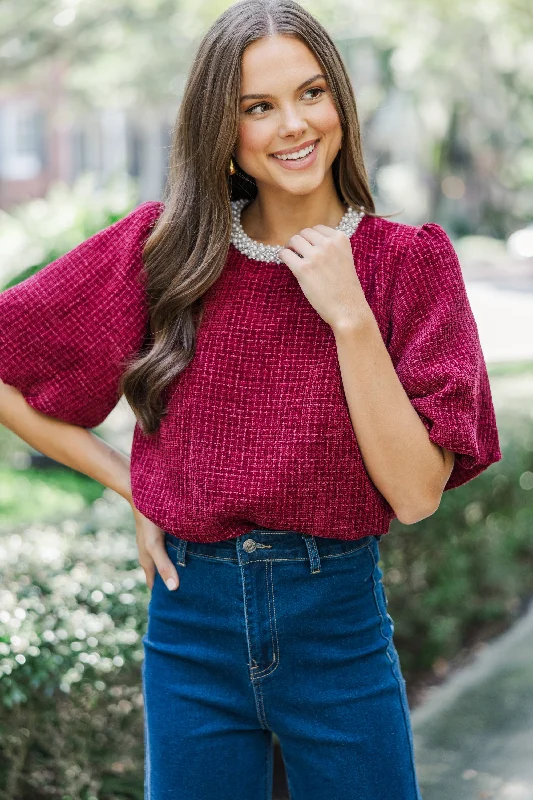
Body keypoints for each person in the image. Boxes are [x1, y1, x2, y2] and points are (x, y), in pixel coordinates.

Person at [0, 1, 502, 798]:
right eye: (256, 108)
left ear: (339, 98)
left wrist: (348, 315)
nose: (292, 125)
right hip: (188, 627)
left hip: (336, 624)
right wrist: (136, 483)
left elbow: (414, 494)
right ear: (221, 132)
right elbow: (10, 364)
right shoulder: (164, 252)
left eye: (310, 93)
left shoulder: (407, 265)